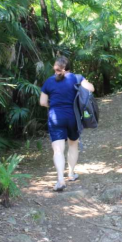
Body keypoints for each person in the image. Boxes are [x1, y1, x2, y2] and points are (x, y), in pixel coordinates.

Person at [39, 55, 94, 192]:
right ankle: (71, 174)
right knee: (73, 144)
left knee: (58, 149)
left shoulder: (49, 82)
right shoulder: (77, 78)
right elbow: (91, 89)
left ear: (56, 68)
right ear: (69, 67)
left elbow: (43, 102)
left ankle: (60, 180)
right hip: (73, 117)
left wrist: (53, 106)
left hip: (55, 118)